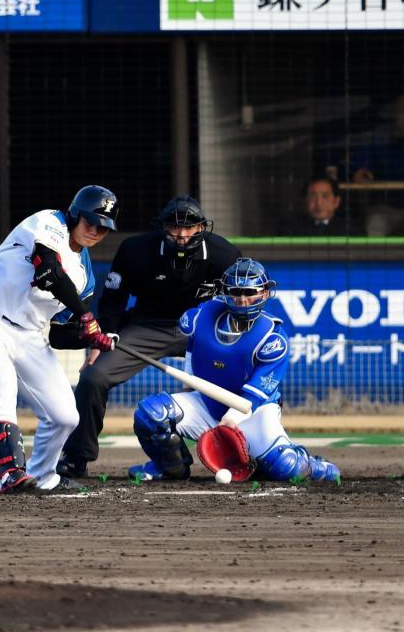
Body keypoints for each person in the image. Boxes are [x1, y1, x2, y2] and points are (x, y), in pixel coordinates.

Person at [56, 195, 240, 480]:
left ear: (202, 227)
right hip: (147, 326)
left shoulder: (224, 256)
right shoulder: (135, 250)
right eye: (174, 227)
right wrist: (101, 337)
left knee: (241, 376)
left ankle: (254, 451)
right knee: (94, 378)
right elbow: (113, 299)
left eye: (190, 227)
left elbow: (241, 301)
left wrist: (237, 344)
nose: (182, 234)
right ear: (162, 227)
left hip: (201, 330)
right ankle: (76, 457)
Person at [0, 185, 119, 493]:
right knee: (1, 385)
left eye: (104, 227)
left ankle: (43, 476)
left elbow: (58, 335)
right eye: (91, 222)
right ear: (74, 215)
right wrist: (86, 316)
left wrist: (90, 338)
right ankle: (10, 471)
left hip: (29, 335)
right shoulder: (49, 222)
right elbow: (49, 270)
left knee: (65, 416)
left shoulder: (85, 277)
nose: (96, 231)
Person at [127, 258, 340, 483]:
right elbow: (193, 349)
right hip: (207, 405)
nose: (242, 299)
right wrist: (189, 391)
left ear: (265, 293)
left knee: (287, 467)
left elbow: (252, 398)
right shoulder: (201, 316)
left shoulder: (273, 339)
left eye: (249, 292)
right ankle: (170, 469)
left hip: (253, 414)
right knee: (153, 415)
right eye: (235, 292)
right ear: (225, 292)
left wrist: (230, 421)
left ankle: (316, 467)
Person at [349, 92, 404, 236]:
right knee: (376, 224)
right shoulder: (382, 135)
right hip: (386, 207)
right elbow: (364, 158)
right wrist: (361, 170)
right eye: (402, 111)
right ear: (395, 114)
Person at [279, 176, 362, 236]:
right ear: (305, 201)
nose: (318, 203)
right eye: (312, 196)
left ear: (336, 202)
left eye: (325, 196)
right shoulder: (290, 229)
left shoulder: (351, 230)